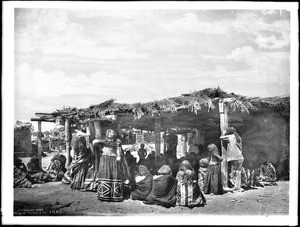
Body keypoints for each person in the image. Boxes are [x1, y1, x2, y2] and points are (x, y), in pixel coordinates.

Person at [96, 129, 130, 202]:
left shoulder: (117, 141)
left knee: (114, 174)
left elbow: (118, 149)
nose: (111, 133)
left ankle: (115, 195)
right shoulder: (104, 140)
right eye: (109, 132)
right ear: (107, 134)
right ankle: (104, 194)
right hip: (104, 159)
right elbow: (95, 142)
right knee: (105, 174)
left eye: (112, 132)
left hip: (113, 159)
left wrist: (118, 156)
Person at [220, 126, 244, 192]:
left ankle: (234, 186)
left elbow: (221, 137)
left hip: (233, 157)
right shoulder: (238, 137)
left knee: (233, 172)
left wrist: (224, 133)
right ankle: (238, 186)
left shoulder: (230, 136)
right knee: (238, 172)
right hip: (239, 156)